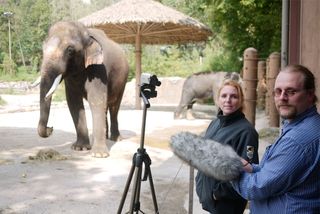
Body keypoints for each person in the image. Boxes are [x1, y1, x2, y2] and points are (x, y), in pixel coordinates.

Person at [232, 64, 320, 213]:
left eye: (291, 92)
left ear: (310, 94)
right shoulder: (305, 125)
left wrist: (226, 168)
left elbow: (255, 187)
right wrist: (252, 168)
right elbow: (285, 173)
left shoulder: (297, 141)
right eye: (278, 91)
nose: (282, 98)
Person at [195, 79, 259, 214]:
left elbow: (247, 170)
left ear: (240, 100)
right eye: (224, 96)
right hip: (211, 200)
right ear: (218, 99)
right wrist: (201, 184)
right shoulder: (215, 123)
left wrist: (217, 193)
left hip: (227, 204)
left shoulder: (246, 131)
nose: (228, 100)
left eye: (234, 96)